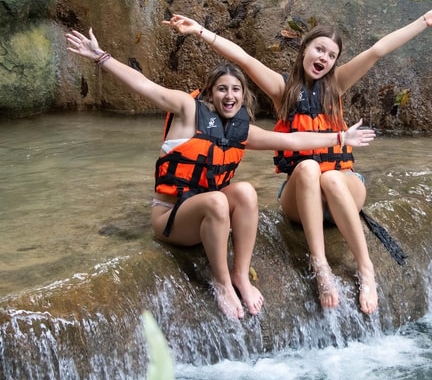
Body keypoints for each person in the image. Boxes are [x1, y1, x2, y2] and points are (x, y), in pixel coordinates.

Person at [65, 27, 376, 320]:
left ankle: (241, 275)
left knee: (245, 192)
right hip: (172, 217)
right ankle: (222, 282)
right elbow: (145, 86)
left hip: (209, 212)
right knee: (216, 200)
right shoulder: (187, 111)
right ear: (210, 94)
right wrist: (101, 57)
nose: (230, 95)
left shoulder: (240, 130)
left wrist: (341, 138)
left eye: (236, 90)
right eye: (222, 89)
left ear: (243, 97)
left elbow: (292, 140)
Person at [165, 6, 432, 314]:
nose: (323, 58)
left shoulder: (337, 85)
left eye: (331, 55)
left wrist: (424, 21)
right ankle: (321, 268)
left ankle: (366, 268)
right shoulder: (282, 90)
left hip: (344, 188)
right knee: (307, 167)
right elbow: (244, 60)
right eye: (319, 49)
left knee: (330, 177)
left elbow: (378, 50)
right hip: (301, 197)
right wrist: (199, 31)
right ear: (304, 49)